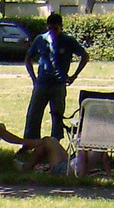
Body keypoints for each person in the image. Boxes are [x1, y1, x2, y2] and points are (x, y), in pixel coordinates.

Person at [24, 12, 89, 140]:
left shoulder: (68, 41)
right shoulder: (41, 39)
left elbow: (84, 56)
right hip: (41, 84)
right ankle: (30, 142)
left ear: (61, 27)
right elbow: (28, 59)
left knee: (58, 116)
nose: (53, 31)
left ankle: (55, 142)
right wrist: (34, 79)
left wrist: (74, 75)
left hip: (59, 85)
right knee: (33, 115)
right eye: (50, 28)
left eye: (56, 29)